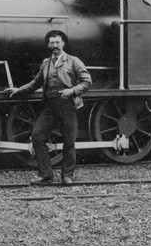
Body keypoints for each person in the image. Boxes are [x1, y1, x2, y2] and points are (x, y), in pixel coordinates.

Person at [5, 30, 91, 185]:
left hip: (67, 106)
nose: (55, 45)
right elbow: (35, 83)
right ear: (48, 45)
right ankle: (46, 175)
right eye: (52, 43)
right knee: (37, 136)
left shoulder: (73, 61)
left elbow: (86, 81)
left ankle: (67, 175)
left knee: (69, 141)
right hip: (50, 107)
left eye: (57, 42)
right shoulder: (46, 63)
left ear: (63, 43)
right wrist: (18, 90)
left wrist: (72, 90)